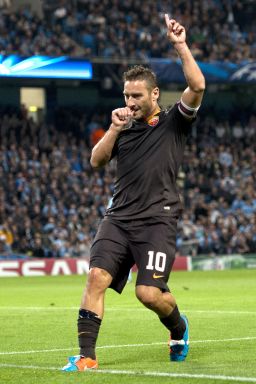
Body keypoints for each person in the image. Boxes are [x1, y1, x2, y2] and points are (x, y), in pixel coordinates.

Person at [62, 14, 205, 371]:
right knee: (96, 277)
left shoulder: (174, 121)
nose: (130, 101)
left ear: (155, 93)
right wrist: (113, 129)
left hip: (158, 219)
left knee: (149, 294)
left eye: (137, 95)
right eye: (126, 95)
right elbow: (96, 161)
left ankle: (178, 326)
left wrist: (180, 46)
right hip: (119, 217)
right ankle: (87, 357)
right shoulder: (122, 126)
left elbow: (198, 86)